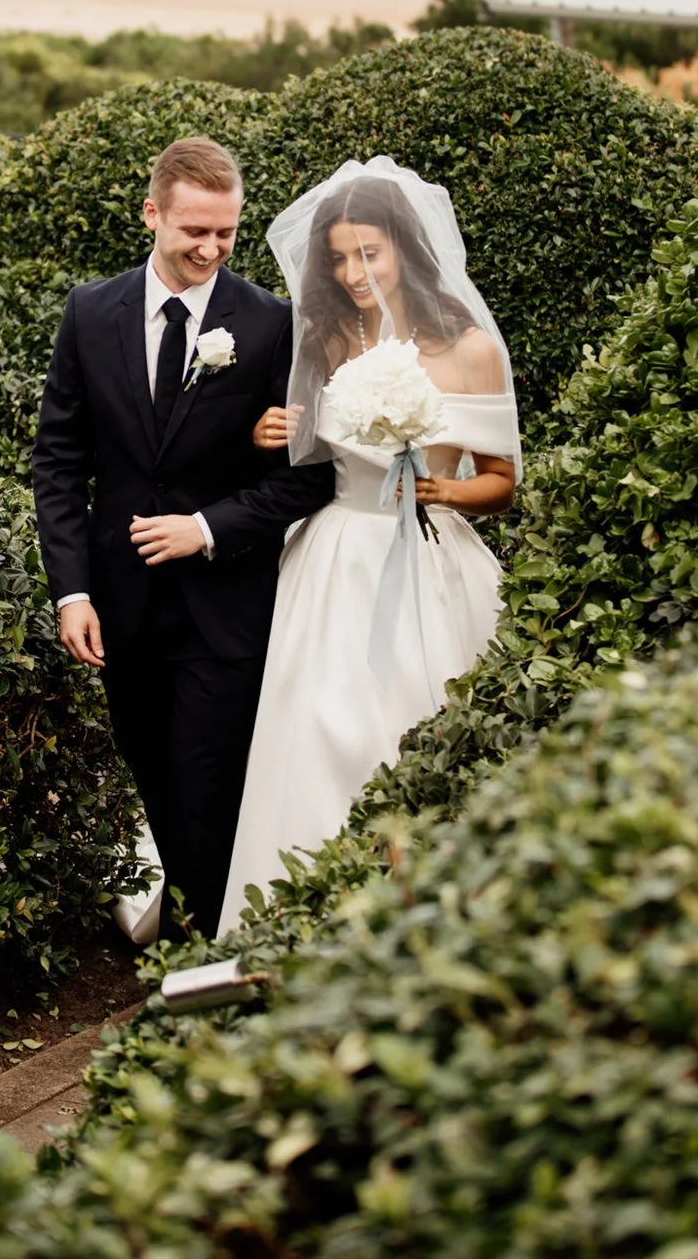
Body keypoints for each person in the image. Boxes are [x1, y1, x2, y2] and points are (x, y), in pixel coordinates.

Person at [32, 136, 334, 943]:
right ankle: (190, 939)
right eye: (192, 231)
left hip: (223, 607)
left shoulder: (270, 326)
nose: (208, 249)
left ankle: (197, 961)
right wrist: (72, 590)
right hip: (120, 609)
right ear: (152, 213)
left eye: (225, 234)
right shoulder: (88, 313)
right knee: (156, 780)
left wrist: (204, 528)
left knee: (207, 784)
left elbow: (309, 476)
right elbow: (59, 465)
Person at [217, 156, 520, 938]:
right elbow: (300, 456)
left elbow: (501, 481)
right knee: (316, 726)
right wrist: (263, 433)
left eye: (368, 253)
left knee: (420, 726)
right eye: (338, 257)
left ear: (405, 250)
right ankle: (302, 918)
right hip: (331, 558)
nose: (352, 273)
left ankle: (431, 919)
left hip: (429, 558)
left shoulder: (468, 346)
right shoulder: (324, 336)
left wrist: (443, 490)